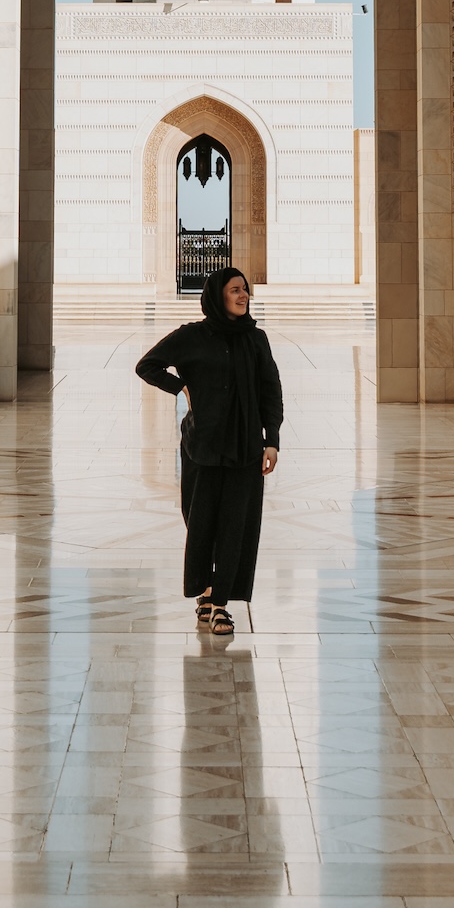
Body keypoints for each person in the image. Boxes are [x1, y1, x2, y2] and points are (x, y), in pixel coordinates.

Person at [135, 265, 282, 636]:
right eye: (235, 290)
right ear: (217, 296)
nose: (243, 295)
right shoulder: (192, 337)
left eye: (245, 289)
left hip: (245, 447)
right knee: (200, 522)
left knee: (236, 525)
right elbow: (147, 365)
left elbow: (270, 391)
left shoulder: (256, 339)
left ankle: (220, 605)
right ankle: (203, 592)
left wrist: (272, 440)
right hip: (202, 446)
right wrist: (181, 387)